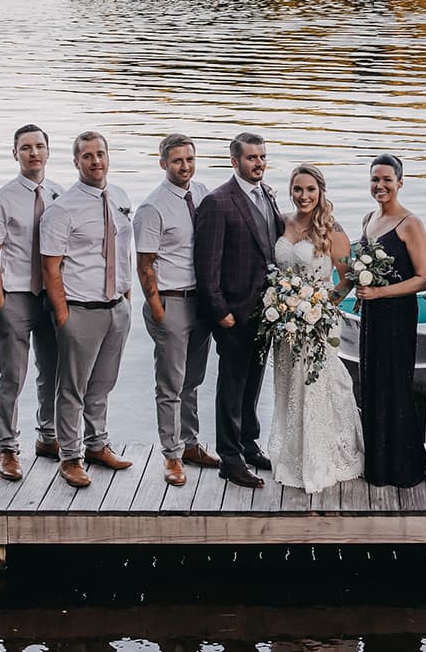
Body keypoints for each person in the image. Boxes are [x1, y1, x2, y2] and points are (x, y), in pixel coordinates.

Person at [40, 131, 135, 489]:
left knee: (103, 384)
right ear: (76, 162)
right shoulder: (63, 208)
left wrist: (127, 297)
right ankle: (70, 456)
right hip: (80, 310)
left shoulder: (121, 198)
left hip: (116, 309)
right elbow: (50, 267)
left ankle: (97, 444)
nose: (96, 161)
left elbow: (124, 250)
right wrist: (63, 314)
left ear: (108, 157)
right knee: (72, 388)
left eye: (100, 154)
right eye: (87, 156)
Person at [193, 131, 285, 489]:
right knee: (231, 387)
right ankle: (229, 458)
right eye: (251, 158)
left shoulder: (267, 194)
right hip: (233, 312)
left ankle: (249, 443)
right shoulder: (218, 202)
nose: (258, 163)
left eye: (262, 157)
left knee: (253, 383)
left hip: (266, 312)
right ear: (235, 161)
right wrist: (220, 312)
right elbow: (207, 265)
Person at [267, 164, 365, 492]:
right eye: (298, 189)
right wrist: (284, 306)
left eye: (310, 189)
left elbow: (348, 277)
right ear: (291, 190)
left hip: (317, 322)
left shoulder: (331, 230)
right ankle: (292, 453)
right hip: (285, 323)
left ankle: (322, 454)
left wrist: (323, 307)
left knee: (319, 385)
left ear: (320, 191)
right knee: (288, 386)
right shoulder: (281, 222)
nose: (304, 196)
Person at [0, 124, 65, 483]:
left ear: (48, 151)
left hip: (51, 297)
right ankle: (9, 447)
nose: (34, 153)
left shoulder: (63, 195)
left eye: (39, 146)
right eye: (26, 148)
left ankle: (48, 436)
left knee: (53, 371)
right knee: (12, 375)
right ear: (15, 154)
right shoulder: (3, 199)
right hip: (16, 296)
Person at [135, 133, 220, 487]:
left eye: (189, 159)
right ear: (163, 164)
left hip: (201, 303)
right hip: (171, 301)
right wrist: (158, 309)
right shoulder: (152, 207)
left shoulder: (200, 193)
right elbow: (144, 264)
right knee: (170, 384)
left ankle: (190, 443)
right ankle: (171, 455)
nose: (184, 166)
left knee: (193, 380)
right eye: (176, 161)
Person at [352, 154, 426, 487]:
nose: (380, 186)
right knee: (372, 382)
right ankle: (377, 462)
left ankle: (403, 465)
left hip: (397, 313)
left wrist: (381, 295)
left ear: (400, 182)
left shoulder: (409, 223)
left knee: (395, 384)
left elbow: (424, 277)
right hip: (371, 313)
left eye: (387, 179)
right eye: (375, 179)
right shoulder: (369, 218)